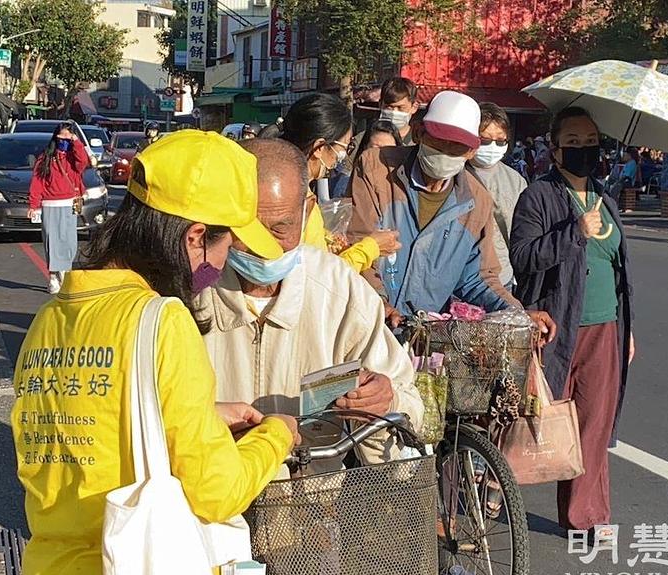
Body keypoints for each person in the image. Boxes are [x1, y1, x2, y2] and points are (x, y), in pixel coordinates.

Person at [12, 130, 298, 575]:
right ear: (196, 236)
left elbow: (93, 420)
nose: (226, 263)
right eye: (230, 245)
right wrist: (277, 435)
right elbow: (216, 490)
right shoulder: (162, 321)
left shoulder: (52, 317)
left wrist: (202, 413)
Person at [198, 138, 424, 470]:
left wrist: (385, 399)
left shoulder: (339, 291)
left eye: (279, 228)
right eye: (247, 229)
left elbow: (410, 410)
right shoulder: (193, 289)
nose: (263, 248)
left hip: (311, 504)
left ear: (307, 211)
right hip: (210, 504)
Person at [510, 106, 635, 546]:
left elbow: (616, 271)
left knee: (593, 425)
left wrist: (627, 329)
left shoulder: (607, 198)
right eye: (574, 143)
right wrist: (574, 231)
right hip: (555, 326)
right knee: (530, 419)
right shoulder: (539, 196)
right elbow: (522, 258)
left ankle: (587, 519)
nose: (584, 151)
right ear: (556, 149)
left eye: (590, 142)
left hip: (604, 327)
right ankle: (487, 489)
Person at [349, 90, 519, 322]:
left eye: (457, 147)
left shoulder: (476, 201)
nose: (446, 152)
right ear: (419, 133)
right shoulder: (376, 168)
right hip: (367, 318)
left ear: (471, 151)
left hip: (424, 334)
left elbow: (479, 278)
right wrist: (379, 303)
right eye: (439, 142)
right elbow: (356, 241)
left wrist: (518, 314)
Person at [271, 93, 400, 273]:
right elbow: (321, 276)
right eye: (344, 147)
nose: (343, 156)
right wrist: (371, 248)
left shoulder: (281, 183)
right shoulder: (294, 199)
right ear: (320, 148)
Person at [466, 102, 528, 289]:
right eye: (485, 140)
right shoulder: (454, 174)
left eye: (500, 141)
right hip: (463, 278)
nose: (493, 146)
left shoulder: (516, 181)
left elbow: (523, 232)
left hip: (503, 278)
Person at [27, 122, 89, 294]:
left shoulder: (73, 157)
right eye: (61, 137)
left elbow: (83, 161)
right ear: (55, 138)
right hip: (50, 205)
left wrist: (75, 142)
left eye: (67, 138)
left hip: (69, 204)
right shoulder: (45, 158)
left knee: (68, 242)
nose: (64, 141)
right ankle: (54, 276)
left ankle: (66, 274)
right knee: (52, 241)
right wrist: (34, 205)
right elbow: (37, 183)